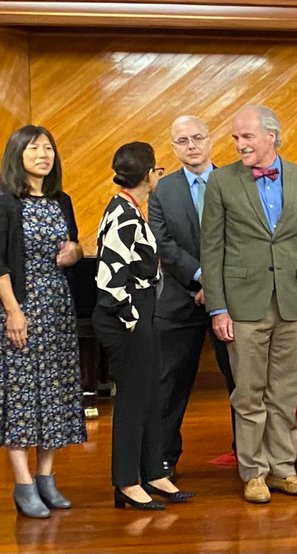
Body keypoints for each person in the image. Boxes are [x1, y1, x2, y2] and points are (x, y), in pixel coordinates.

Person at [200, 105, 297, 503]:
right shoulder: (221, 181)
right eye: (236, 138)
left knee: (285, 392)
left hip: (293, 302)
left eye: (246, 136)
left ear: (271, 135)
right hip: (242, 305)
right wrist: (218, 308)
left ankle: (283, 469)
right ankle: (253, 472)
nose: (239, 144)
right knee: (249, 393)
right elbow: (211, 249)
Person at [96, 142, 196, 510]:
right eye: (156, 169)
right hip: (127, 317)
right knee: (133, 402)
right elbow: (109, 280)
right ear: (148, 175)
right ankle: (126, 482)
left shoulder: (131, 209)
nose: (159, 175)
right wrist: (132, 319)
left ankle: (154, 472)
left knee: (152, 397)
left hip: (141, 312)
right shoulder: (122, 213)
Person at [0, 125, 85, 518]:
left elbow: (73, 245)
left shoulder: (61, 200)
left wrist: (75, 252)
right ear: (17, 155)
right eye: (34, 148)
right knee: (21, 394)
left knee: (55, 392)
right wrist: (13, 311)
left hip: (58, 308)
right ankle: (23, 485)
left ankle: (47, 478)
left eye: (48, 148)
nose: (43, 155)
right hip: (19, 306)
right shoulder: (5, 201)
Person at [148, 115, 236, 477]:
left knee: (241, 382)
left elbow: (243, 240)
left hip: (232, 300)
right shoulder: (162, 190)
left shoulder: (234, 182)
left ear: (210, 140)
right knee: (169, 384)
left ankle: (247, 455)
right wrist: (201, 279)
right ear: (173, 148)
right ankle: (163, 459)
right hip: (180, 299)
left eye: (197, 138)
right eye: (182, 141)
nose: (191, 146)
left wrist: (215, 286)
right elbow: (163, 243)